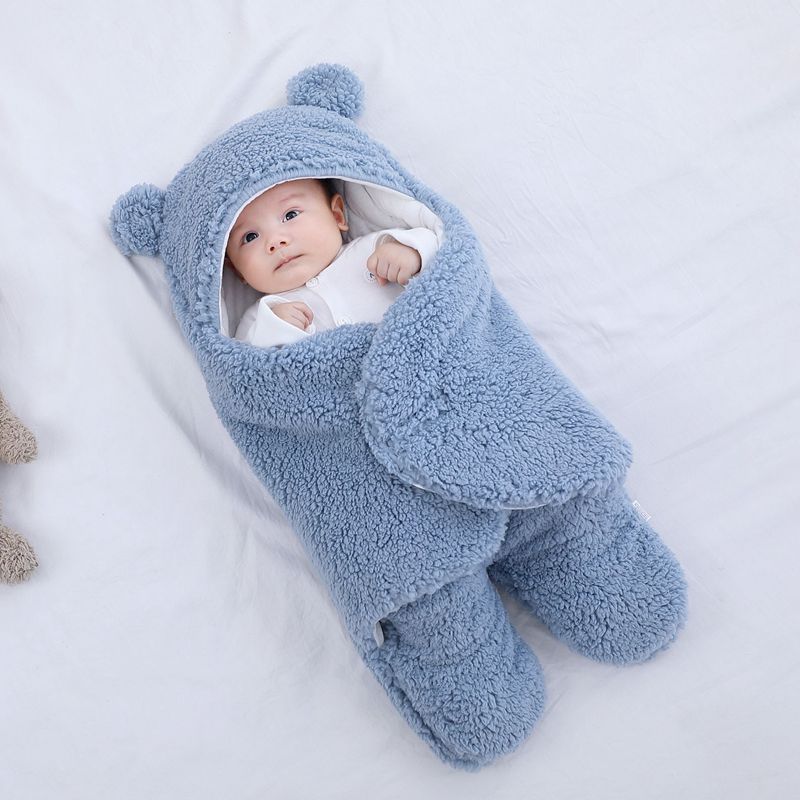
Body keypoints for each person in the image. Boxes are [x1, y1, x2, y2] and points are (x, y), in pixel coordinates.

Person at [224, 178, 439, 346]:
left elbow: (438, 247)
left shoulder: (375, 248)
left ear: (337, 215)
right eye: (250, 237)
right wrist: (275, 330)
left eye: (290, 215)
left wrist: (411, 253)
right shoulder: (261, 316)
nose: (275, 241)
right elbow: (251, 372)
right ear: (238, 270)